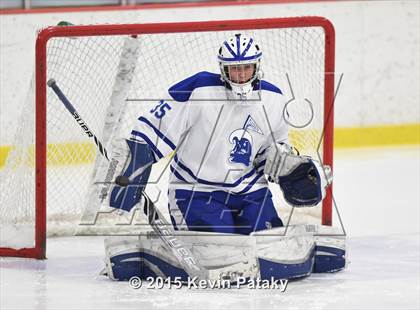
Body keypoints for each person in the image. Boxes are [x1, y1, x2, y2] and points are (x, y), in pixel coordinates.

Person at [102, 34, 345, 281]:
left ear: (257, 67)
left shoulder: (274, 98)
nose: (240, 74)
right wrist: (133, 166)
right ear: (222, 69)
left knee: (269, 248)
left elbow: (269, 151)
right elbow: (149, 133)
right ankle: (150, 254)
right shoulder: (197, 89)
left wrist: (285, 165)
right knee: (219, 252)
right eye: (234, 69)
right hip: (195, 191)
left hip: (250, 191)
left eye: (246, 67)